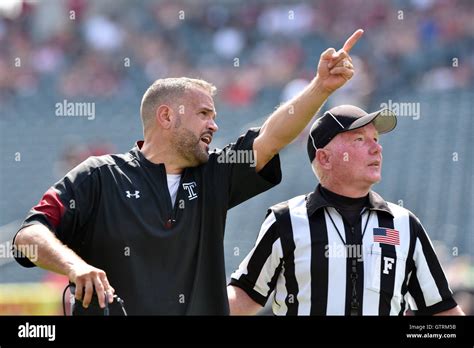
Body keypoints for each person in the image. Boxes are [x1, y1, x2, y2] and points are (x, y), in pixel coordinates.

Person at [13, 30, 364, 315]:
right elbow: (26, 239)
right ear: (166, 117)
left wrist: (321, 88)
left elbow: (272, 137)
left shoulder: (215, 174)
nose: (214, 124)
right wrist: (74, 266)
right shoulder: (99, 177)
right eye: (203, 114)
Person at [228, 105, 465, 316]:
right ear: (325, 158)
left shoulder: (404, 224)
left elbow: (441, 310)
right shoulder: (285, 220)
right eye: (360, 139)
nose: (377, 148)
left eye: (376, 138)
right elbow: (245, 296)